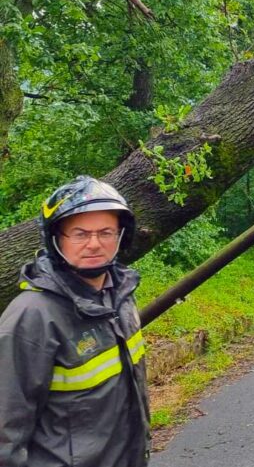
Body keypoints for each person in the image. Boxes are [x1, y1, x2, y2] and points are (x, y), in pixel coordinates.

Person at [0, 176, 150, 467]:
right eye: (80, 234)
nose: (94, 244)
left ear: (121, 236)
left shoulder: (120, 296)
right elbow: (5, 434)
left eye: (105, 233)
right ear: (57, 240)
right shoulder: (31, 317)